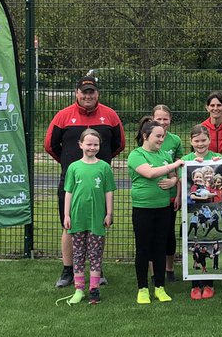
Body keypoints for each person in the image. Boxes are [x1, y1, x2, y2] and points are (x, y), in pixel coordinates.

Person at [44, 74, 125, 289]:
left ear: (97, 93)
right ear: (76, 93)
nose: (88, 96)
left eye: (92, 92)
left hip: (98, 183)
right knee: (69, 225)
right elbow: (50, 145)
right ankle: (68, 270)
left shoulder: (110, 116)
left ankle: (97, 270)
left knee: (99, 225)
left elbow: (119, 145)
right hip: (71, 182)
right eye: (84, 92)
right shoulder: (63, 116)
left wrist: (98, 165)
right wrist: (70, 165)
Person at [128, 116, 186, 304]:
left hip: (163, 208)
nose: (161, 139)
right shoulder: (136, 154)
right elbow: (150, 173)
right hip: (143, 208)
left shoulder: (164, 156)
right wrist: (174, 165)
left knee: (160, 247)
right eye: (158, 136)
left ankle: (160, 287)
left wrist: (173, 181)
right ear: (146, 136)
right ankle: (143, 289)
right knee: (143, 249)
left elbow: (174, 176)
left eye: (162, 136)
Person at [57, 128, 115, 306]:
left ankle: (94, 289)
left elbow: (108, 191)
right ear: (80, 144)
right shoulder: (74, 167)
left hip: (96, 218)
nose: (92, 147)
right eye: (89, 144)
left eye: (96, 144)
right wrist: (67, 215)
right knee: (79, 254)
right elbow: (68, 192)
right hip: (77, 217)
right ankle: (79, 289)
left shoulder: (104, 167)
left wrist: (109, 213)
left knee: (95, 254)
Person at [183, 125, 222, 300]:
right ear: (191, 141)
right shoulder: (186, 160)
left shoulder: (217, 157)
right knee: (193, 241)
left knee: (209, 241)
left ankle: (209, 284)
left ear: (209, 140)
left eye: (204, 140)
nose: (200, 144)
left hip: (211, 208)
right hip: (192, 210)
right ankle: (194, 284)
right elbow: (181, 182)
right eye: (196, 141)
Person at [152, 104, 183, 282]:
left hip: (170, 195)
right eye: (159, 118)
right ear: (152, 119)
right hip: (152, 194)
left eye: (165, 119)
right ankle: (154, 272)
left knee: (169, 233)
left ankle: (169, 269)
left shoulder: (175, 140)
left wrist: (177, 193)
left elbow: (179, 169)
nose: (162, 122)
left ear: (170, 120)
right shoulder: (147, 137)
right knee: (152, 234)